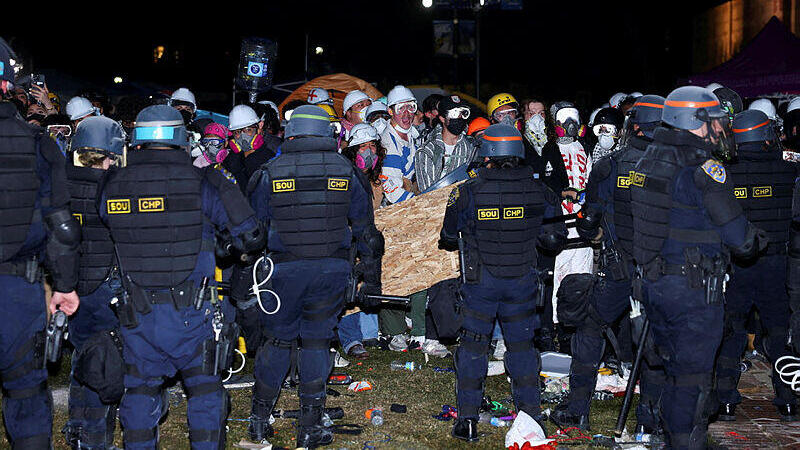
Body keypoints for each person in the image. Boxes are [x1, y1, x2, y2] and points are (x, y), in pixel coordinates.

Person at [99, 105, 263, 449]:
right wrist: (224, 246)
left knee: (140, 392)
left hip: (136, 313)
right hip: (192, 313)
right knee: (204, 392)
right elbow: (251, 235)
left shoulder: (112, 183)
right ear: (182, 138)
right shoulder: (205, 180)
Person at [631, 86, 765, 449]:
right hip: (693, 291)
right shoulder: (704, 168)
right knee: (693, 380)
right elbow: (741, 239)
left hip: (656, 283)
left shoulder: (649, 158)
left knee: (673, 373)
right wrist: (758, 238)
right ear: (695, 122)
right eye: (715, 122)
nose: (720, 128)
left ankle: (673, 435)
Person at [246, 105, 381, 448]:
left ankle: (259, 423)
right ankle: (310, 426)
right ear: (327, 134)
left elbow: (251, 234)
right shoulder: (347, 171)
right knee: (317, 343)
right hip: (330, 270)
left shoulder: (269, 171)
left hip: (282, 272)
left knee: (277, 342)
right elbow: (368, 234)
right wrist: (372, 280)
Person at [439, 123, 566, 442]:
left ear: (488, 153)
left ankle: (467, 422)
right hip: (522, 280)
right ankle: (533, 417)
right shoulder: (540, 191)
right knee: (522, 349)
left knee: (473, 348)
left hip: (481, 283)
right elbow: (554, 239)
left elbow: (448, 236)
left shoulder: (467, 190)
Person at [552, 95, 668, 438]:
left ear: (632, 127)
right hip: (664, 272)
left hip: (619, 270)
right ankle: (650, 419)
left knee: (590, 329)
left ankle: (577, 411)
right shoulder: (680, 165)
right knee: (657, 341)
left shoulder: (611, 165)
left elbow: (589, 220)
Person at [0, 38, 81, 448]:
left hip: (19, 284)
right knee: (26, 393)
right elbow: (61, 227)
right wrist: (65, 286)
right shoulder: (35, 142)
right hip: (16, 291)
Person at [714, 109, 797, 422]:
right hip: (776, 263)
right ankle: (787, 400)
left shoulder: (722, 170)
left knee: (731, 333)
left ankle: (725, 401)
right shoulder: (788, 167)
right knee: (779, 332)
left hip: (736, 265)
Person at [63, 115, 126, 450]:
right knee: (105, 362)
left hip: (70, 283)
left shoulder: (61, 180)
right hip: (105, 283)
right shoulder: (113, 184)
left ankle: (75, 429)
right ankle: (95, 440)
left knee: (81, 356)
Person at [415, 95, 478, 191]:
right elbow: (427, 194)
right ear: (442, 118)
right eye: (454, 114)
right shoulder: (427, 151)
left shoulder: (471, 147)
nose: (459, 118)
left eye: (463, 113)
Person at [380, 85, 420, 205]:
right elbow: (391, 190)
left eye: (411, 107)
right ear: (390, 111)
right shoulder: (388, 143)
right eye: (401, 108)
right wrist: (418, 202)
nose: (407, 113)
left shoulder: (412, 134)